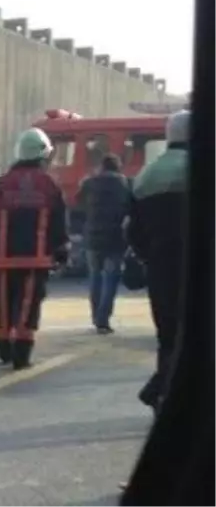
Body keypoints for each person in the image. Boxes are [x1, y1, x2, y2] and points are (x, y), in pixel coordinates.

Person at [0, 128, 70, 370]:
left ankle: (4, 348)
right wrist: (61, 250)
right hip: (35, 259)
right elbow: (59, 222)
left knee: (4, 303)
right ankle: (21, 354)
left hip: (3, 258)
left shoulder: (2, 183)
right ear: (42, 155)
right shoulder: (49, 185)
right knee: (28, 304)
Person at [126, 109, 188, 413]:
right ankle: (160, 389)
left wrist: (148, 257)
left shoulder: (146, 176)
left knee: (167, 335)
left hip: (160, 269)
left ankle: (163, 398)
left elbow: (133, 231)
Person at [76, 152, 133, 334]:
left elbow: (78, 202)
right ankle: (103, 318)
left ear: (102, 166)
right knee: (111, 277)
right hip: (115, 237)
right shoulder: (124, 184)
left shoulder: (90, 182)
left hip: (93, 236)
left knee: (95, 276)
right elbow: (131, 208)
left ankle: (95, 316)